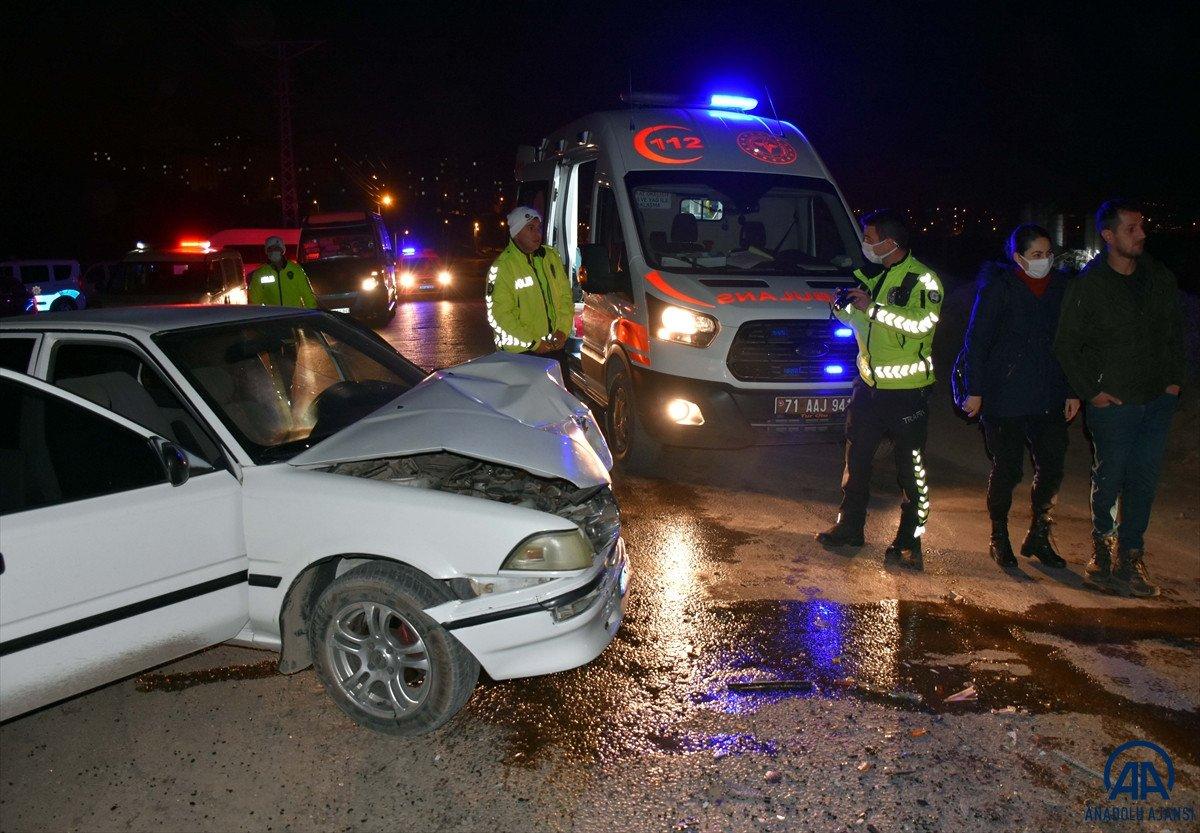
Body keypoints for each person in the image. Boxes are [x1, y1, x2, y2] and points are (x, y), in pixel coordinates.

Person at [1054, 199, 1187, 597]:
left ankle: (1132, 555)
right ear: (1109, 236)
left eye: (1142, 227)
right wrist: (1090, 391)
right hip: (1112, 403)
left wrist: (1173, 382)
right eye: (1131, 228)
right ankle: (1102, 548)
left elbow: (1173, 335)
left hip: (1156, 399)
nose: (1142, 234)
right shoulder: (1088, 286)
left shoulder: (1158, 279)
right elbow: (1066, 344)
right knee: (1110, 476)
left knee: (1143, 480)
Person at [817, 209, 943, 570]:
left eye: (870, 238)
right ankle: (850, 529)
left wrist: (872, 309)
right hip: (868, 389)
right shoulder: (872, 275)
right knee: (856, 462)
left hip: (908, 391)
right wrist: (843, 310)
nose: (866, 244)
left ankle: (909, 542)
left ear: (890, 242)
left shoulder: (924, 280)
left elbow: (921, 325)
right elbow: (865, 323)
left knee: (911, 469)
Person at [962, 224, 1079, 574]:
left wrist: (1072, 389)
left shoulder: (1061, 289)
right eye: (1037, 255)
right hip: (1004, 395)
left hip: (1048, 393)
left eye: (1048, 254)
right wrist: (975, 390)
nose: (1045, 260)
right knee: (1009, 468)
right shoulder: (999, 289)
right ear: (1018, 258)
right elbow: (976, 341)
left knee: (1053, 465)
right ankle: (999, 536)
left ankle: (1039, 535)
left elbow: (1071, 343)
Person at [486, 206, 574, 383]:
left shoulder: (550, 257)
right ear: (516, 233)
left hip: (553, 351)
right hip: (520, 358)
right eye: (530, 228)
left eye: (538, 228)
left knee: (561, 407)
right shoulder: (503, 267)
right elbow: (498, 316)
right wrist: (533, 343)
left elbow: (565, 297)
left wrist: (563, 331)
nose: (537, 234)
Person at [247, 236, 318, 308]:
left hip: (293, 315)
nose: (273, 251)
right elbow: (254, 300)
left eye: (276, 248)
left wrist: (311, 313)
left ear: (282, 250)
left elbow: (307, 295)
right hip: (273, 316)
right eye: (270, 249)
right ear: (266, 252)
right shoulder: (260, 273)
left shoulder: (296, 270)